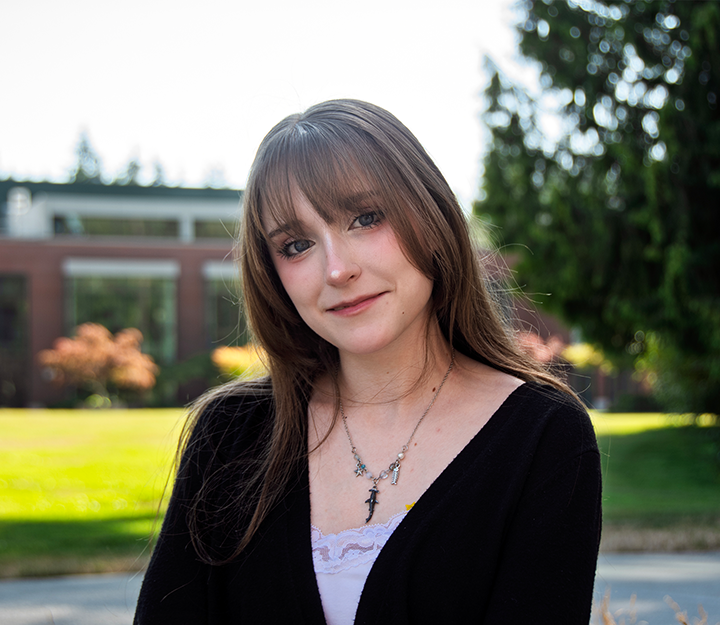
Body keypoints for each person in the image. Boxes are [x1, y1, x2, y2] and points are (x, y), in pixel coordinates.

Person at [134, 99, 602, 624]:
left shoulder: (542, 437)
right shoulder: (230, 434)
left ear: (431, 215)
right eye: (295, 245)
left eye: (365, 217)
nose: (336, 269)